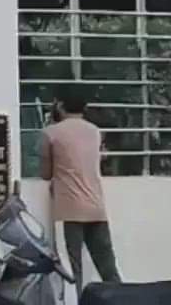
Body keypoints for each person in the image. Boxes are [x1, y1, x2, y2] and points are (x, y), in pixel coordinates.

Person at [39, 89, 121, 296]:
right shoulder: (95, 131)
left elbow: (45, 174)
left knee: (70, 270)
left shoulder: (51, 133)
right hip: (96, 208)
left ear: (59, 105)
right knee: (108, 267)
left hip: (68, 211)